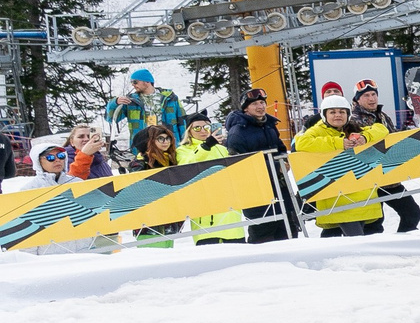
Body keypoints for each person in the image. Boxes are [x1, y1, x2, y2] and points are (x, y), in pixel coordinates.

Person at [294, 84, 390, 237]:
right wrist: (338, 143)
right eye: (332, 112)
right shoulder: (317, 130)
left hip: (360, 195)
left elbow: (381, 129)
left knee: (333, 238)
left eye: (341, 112)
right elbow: (301, 143)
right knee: (355, 239)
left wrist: (365, 137)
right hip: (337, 197)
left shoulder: (353, 127)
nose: (337, 115)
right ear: (324, 115)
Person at [348, 80, 420, 232]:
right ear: (357, 99)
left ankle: (404, 242)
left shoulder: (382, 115)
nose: (371, 98)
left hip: (389, 178)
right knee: (374, 224)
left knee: (412, 213)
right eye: (366, 95)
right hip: (369, 180)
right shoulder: (353, 120)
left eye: (373, 94)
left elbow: (393, 138)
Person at [221, 87, 292, 242]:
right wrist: (275, 166)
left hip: (280, 187)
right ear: (245, 108)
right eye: (255, 104)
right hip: (256, 192)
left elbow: (280, 148)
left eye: (262, 103)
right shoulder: (237, 132)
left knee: (288, 230)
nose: (260, 106)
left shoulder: (269, 125)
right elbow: (240, 165)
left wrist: (284, 161)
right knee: (263, 234)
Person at [175, 115, 246, 244]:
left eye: (206, 127)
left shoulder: (222, 148)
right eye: (197, 128)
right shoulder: (182, 150)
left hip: (230, 214)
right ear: (189, 131)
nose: (203, 131)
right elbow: (186, 165)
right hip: (206, 217)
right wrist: (206, 146)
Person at [103, 68, 185, 155]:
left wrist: (184, 143)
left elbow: (182, 121)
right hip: (142, 147)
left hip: (167, 144)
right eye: (132, 82)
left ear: (147, 82)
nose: (133, 85)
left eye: (135, 82)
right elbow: (110, 118)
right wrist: (114, 103)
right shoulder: (131, 101)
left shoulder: (170, 98)